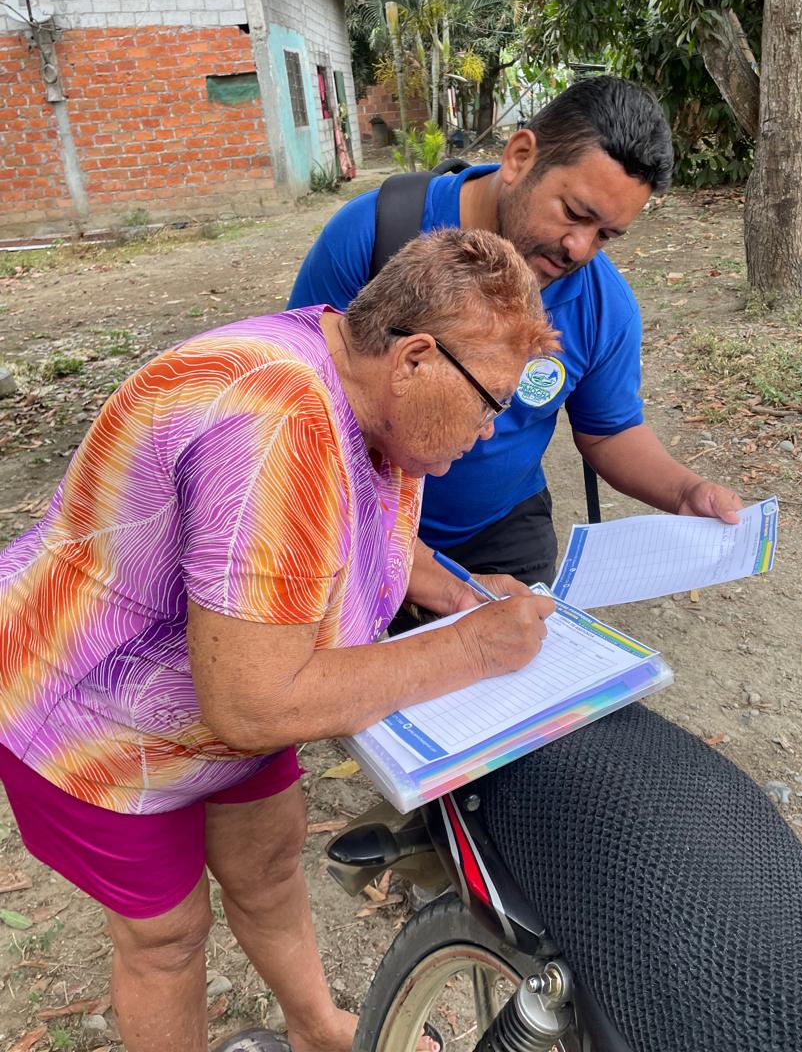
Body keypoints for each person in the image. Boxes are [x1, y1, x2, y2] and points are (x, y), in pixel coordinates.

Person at [0, 230, 557, 1052]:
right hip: (93, 718)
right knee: (167, 937)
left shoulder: (354, 373)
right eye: (492, 403)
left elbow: (360, 520)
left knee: (267, 863)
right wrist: (471, 648)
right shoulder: (276, 423)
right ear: (415, 358)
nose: (489, 431)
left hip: (225, 680)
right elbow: (255, 703)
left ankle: (317, 1029)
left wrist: (455, 590)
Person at [289, 76, 743, 588]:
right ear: (520, 157)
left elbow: (609, 429)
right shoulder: (373, 236)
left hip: (501, 530)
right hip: (356, 526)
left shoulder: (601, 304)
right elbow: (303, 400)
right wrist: (436, 585)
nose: (578, 248)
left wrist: (685, 492)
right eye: (574, 213)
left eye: (606, 235)